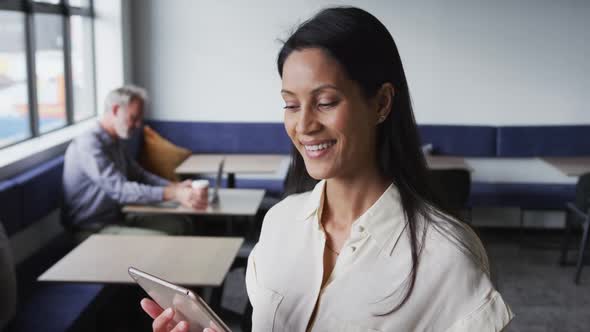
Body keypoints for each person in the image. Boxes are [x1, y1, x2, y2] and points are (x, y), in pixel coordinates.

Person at [141, 6, 514, 331]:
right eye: (290, 104)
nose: (303, 125)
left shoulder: (446, 253)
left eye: (325, 102)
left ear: (382, 103)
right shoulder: (279, 222)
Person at [62, 85, 207, 237]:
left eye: (140, 119)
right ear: (116, 110)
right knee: (161, 240)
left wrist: (174, 186)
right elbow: (120, 190)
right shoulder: (89, 144)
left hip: (117, 217)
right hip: (90, 228)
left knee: (181, 223)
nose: (138, 125)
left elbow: (139, 175)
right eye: (134, 118)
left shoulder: (115, 141)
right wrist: (173, 193)